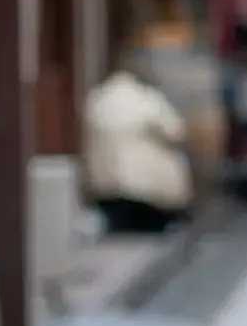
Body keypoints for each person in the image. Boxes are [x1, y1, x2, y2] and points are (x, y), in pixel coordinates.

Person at [80, 63, 193, 232]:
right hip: (144, 184)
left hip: (104, 180)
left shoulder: (97, 99)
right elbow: (175, 130)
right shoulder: (145, 99)